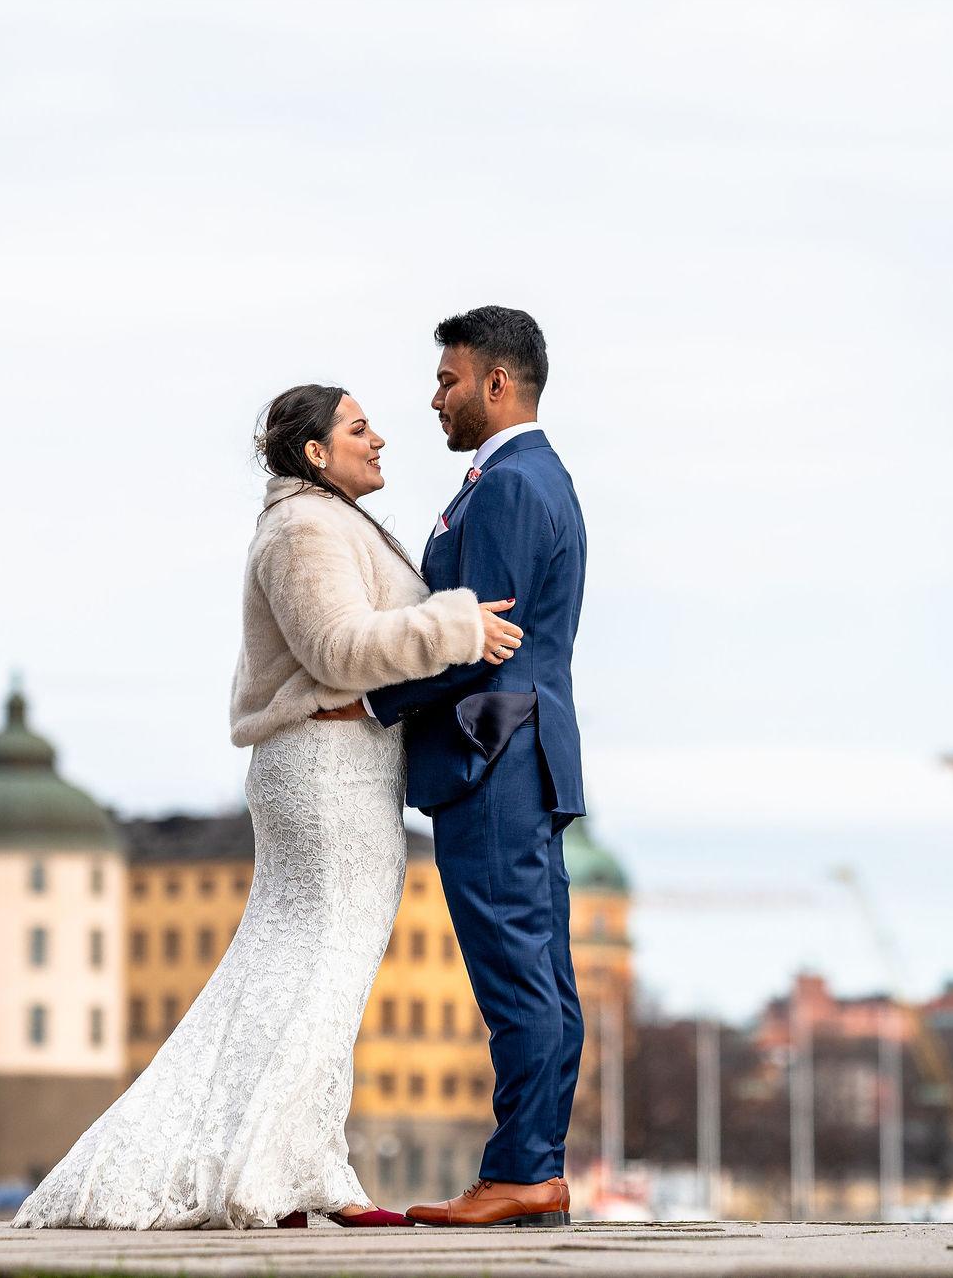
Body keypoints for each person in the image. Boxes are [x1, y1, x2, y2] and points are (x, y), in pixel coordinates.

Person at [9, 383, 521, 1230]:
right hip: (326, 771)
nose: (381, 439)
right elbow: (336, 647)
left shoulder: (324, 521)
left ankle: (297, 1172)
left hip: (339, 767)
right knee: (321, 973)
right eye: (360, 428)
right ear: (315, 453)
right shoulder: (303, 527)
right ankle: (269, 1176)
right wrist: (455, 627)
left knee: (300, 973)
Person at [326, 305, 588, 1228]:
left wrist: (367, 704)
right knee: (543, 973)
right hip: (522, 750)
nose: (435, 398)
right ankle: (535, 1169)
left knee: (518, 975)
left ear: (496, 384)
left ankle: (522, 1170)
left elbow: (479, 640)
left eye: (447, 380)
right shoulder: (532, 478)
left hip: (490, 752)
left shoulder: (510, 487)